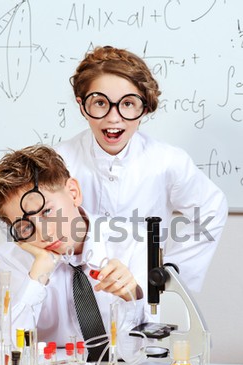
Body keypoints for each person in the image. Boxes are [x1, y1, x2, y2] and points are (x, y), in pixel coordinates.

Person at [55, 45, 228, 293]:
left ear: (144, 107)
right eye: (100, 103)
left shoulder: (167, 161)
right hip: (75, 294)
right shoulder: (59, 161)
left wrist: (168, 274)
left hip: (141, 294)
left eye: (128, 103)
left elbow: (212, 208)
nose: (113, 117)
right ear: (82, 106)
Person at [0, 145, 151, 362]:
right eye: (25, 227)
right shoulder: (14, 260)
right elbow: (4, 352)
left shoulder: (131, 242)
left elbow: (141, 349)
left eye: (47, 212)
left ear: (73, 193)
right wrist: (37, 277)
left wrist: (132, 297)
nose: (45, 233)